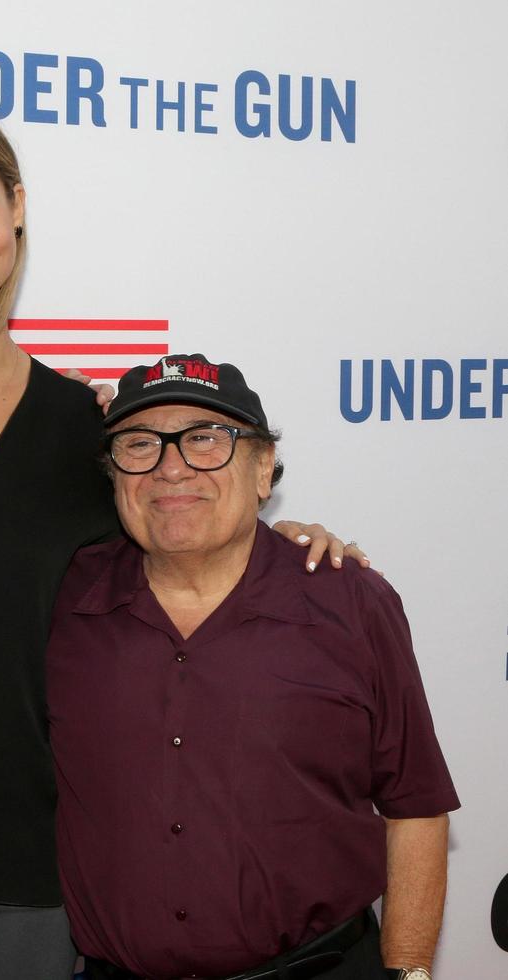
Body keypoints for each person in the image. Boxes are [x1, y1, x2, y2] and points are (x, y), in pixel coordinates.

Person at [0, 98, 359, 980]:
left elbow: (176, 568)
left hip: (30, 861)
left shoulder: (79, 430)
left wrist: (290, 544)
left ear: (16, 205)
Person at [47, 354, 459, 980]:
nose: (171, 467)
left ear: (264, 468)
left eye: (207, 440)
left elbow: (416, 806)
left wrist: (408, 972)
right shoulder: (58, 602)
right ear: (113, 475)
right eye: (139, 445)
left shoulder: (350, 601)